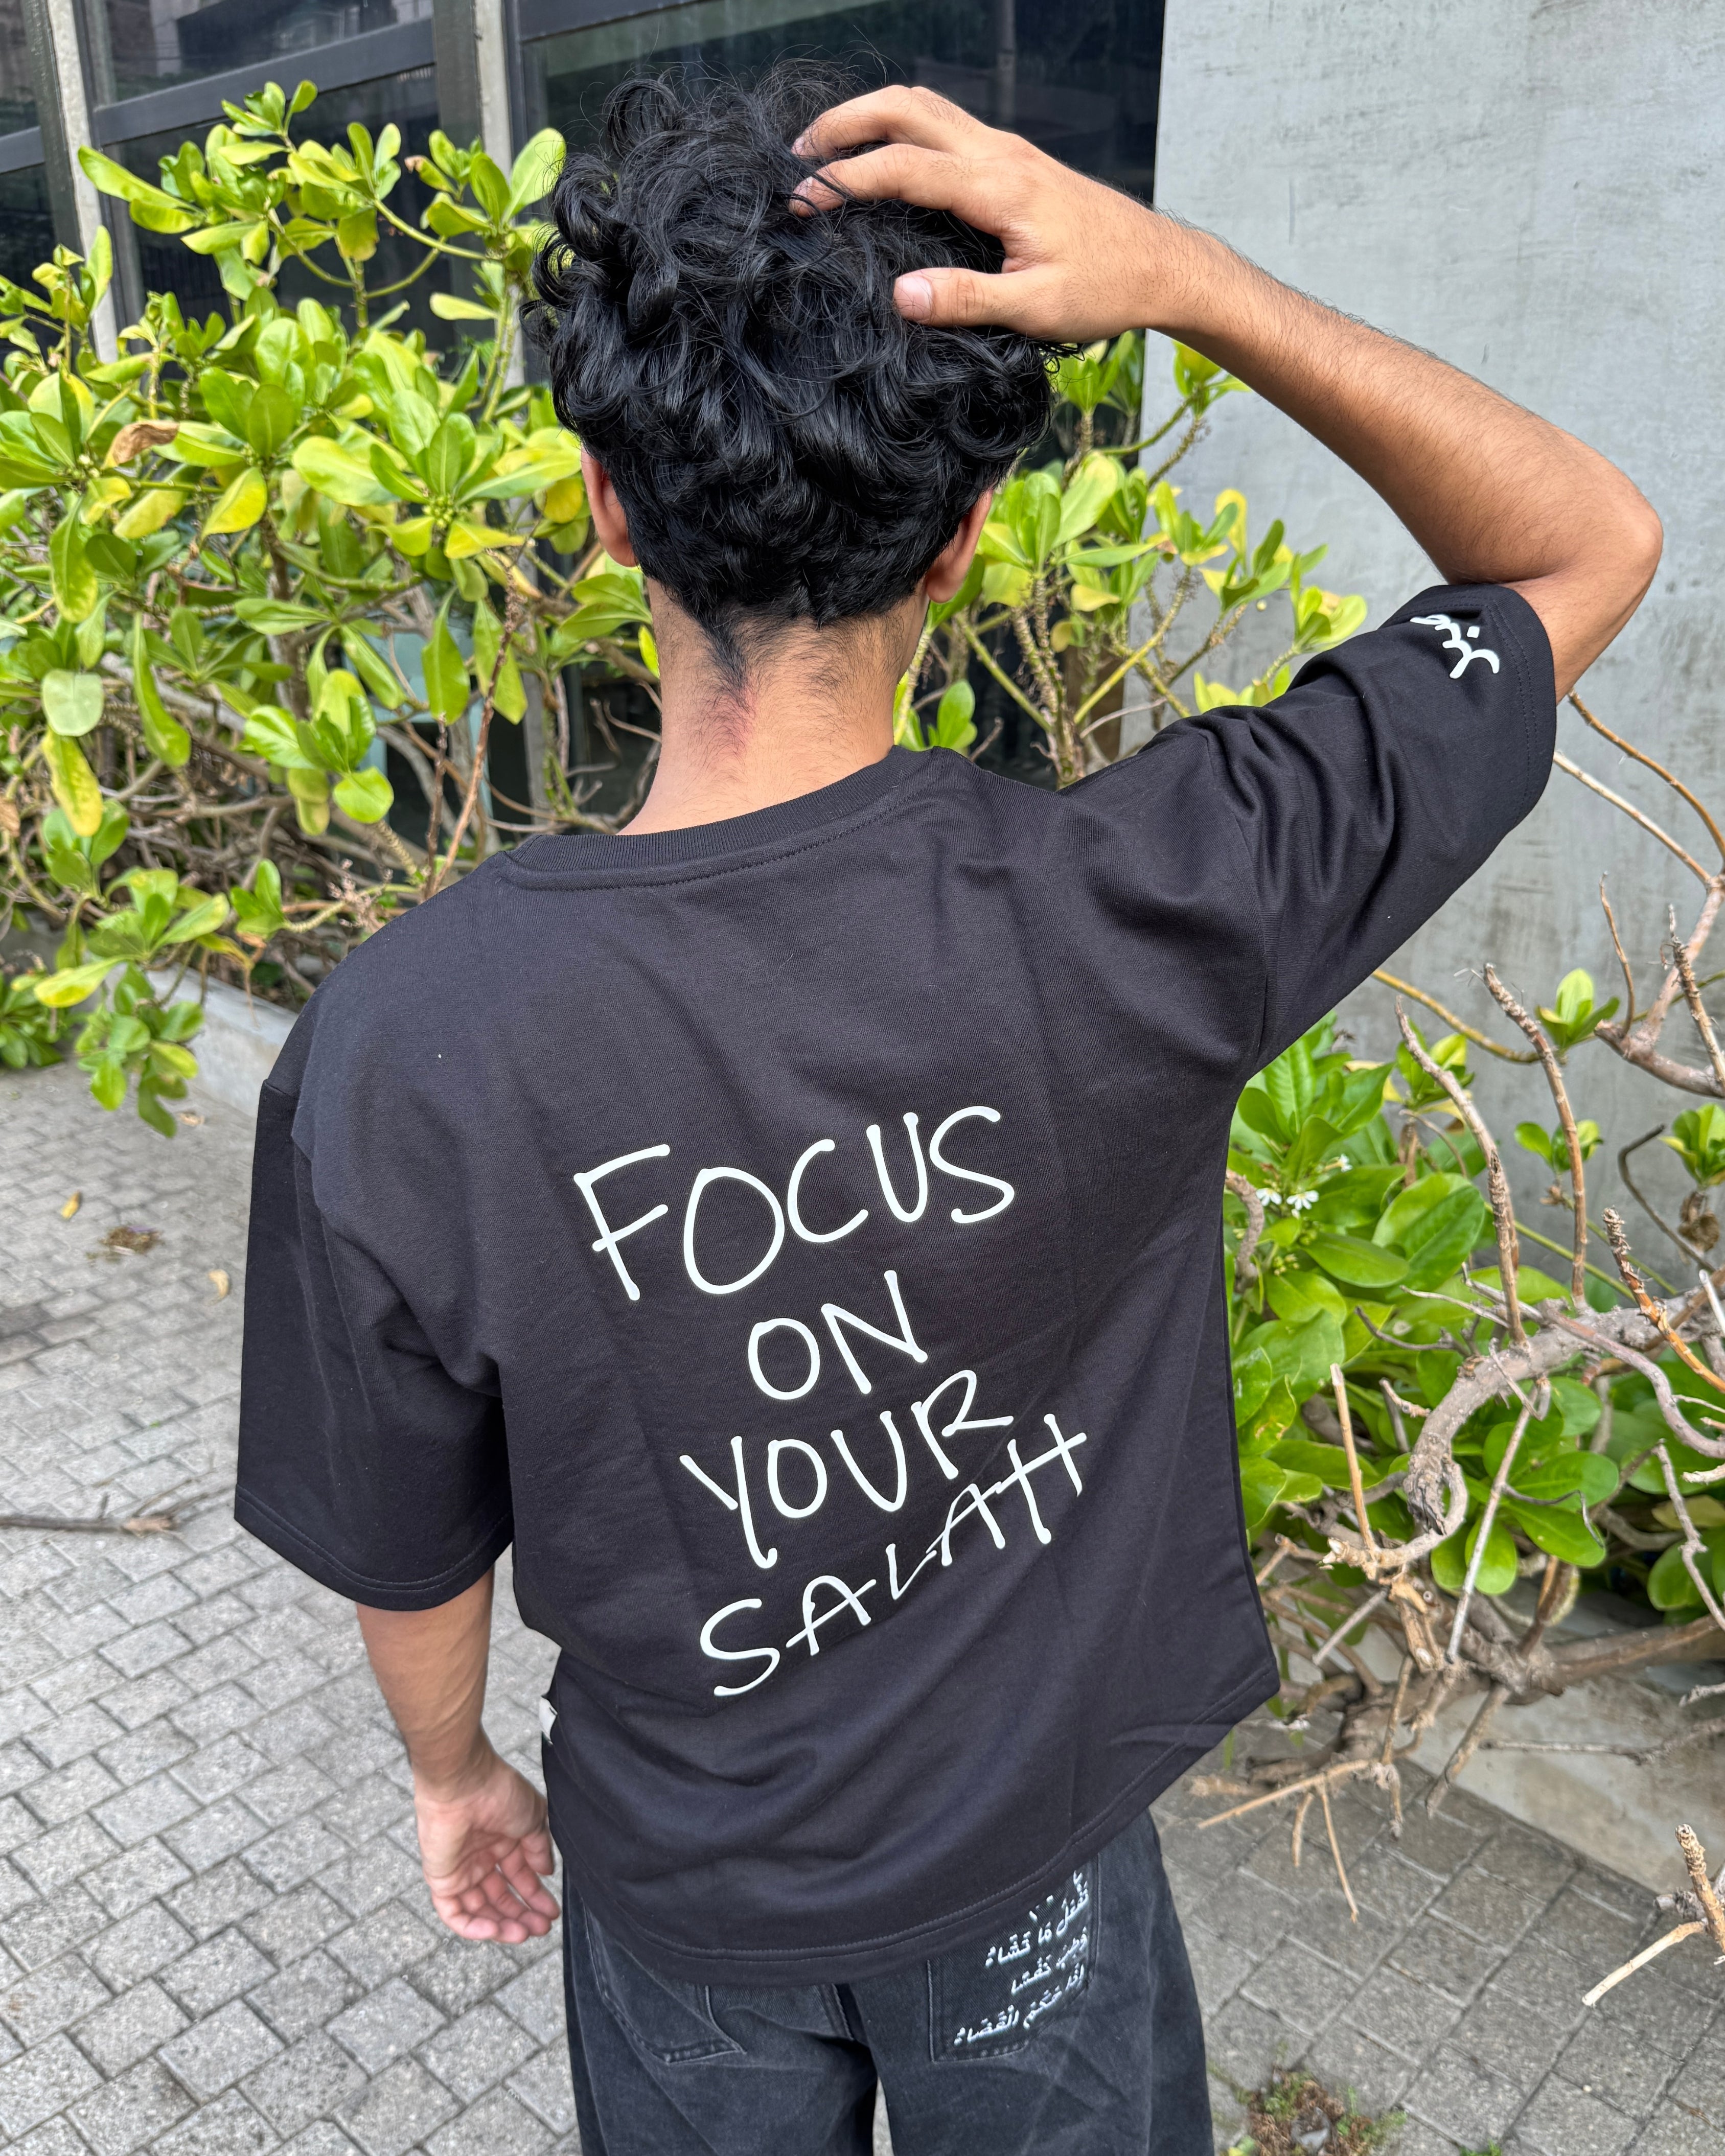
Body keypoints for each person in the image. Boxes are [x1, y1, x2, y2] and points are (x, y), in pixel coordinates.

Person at [234, 62, 1660, 2156]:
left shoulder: (400, 1045)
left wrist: (455, 1779)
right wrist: (1186, 284)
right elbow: (1586, 539)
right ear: (972, 538)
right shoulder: (1164, 893)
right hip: (1036, 1880)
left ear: (610, 508)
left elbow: (411, 1542)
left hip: (681, 1887)